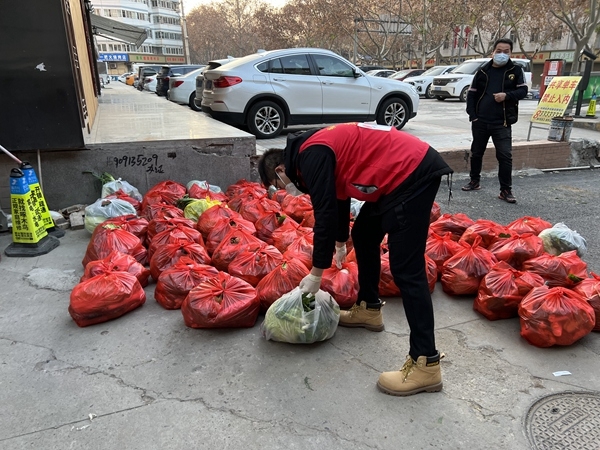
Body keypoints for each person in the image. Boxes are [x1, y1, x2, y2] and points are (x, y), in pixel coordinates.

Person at [258, 122, 453, 396]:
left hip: (412, 172)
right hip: (400, 173)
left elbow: (325, 214)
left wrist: (316, 273)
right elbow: (337, 196)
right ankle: (369, 309)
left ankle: (426, 363)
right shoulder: (310, 149)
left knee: (407, 270)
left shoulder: (310, 155)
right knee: (363, 234)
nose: (284, 189)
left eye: (278, 185)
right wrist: (340, 241)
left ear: (280, 170)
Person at [462, 38, 528, 203]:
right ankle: (474, 181)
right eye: (499, 51)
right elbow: (472, 94)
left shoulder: (515, 70)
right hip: (481, 121)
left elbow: (523, 91)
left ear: (511, 53)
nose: (502, 54)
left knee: (505, 156)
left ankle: (505, 190)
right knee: (476, 153)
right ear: (493, 52)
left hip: (502, 122)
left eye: (506, 51)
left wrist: (507, 96)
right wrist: (473, 115)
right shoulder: (483, 70)